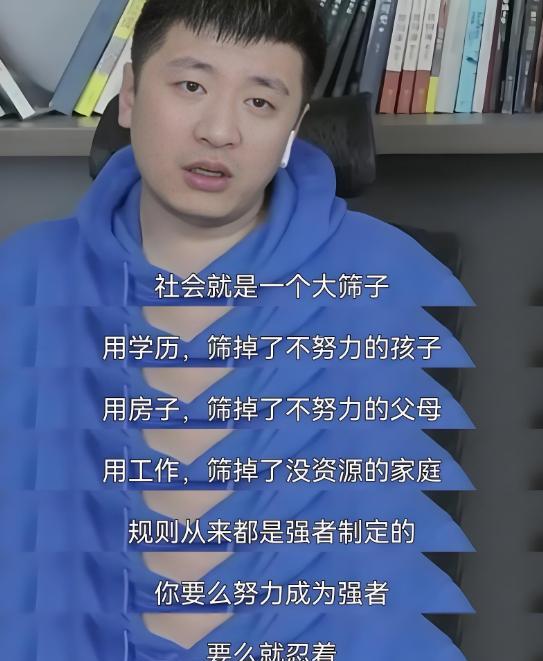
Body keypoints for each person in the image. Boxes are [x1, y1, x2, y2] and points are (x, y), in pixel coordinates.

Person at [0, 1, 474, 659]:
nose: (219, 130)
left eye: (259, 102)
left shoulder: (380, 276)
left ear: (294, 127)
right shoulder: (24, 276)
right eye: (191, 86)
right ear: (129, 95)